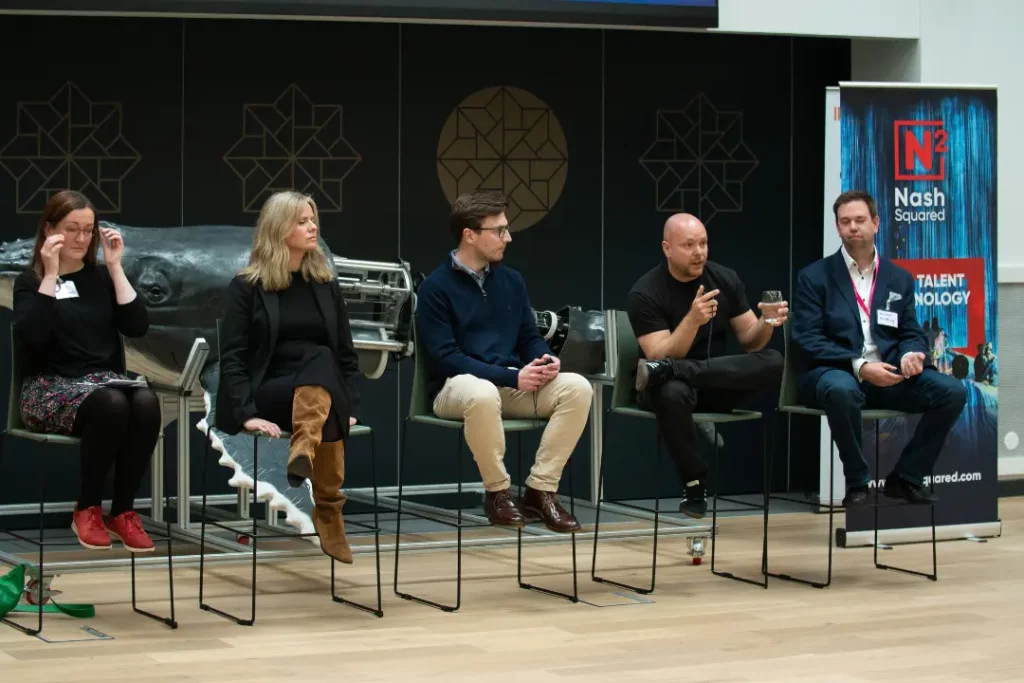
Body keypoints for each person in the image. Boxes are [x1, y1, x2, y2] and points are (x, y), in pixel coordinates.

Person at [416, 190, 593, 533]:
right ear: (470, 235)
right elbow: (445, 358)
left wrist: (543, 358)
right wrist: (513, 378)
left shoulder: (511, 281)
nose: (507, 237)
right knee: (482, 393)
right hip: (455, 389)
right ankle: (497, 493)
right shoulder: (435, 288)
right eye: (498, 230)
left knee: (577, 388)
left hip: (509, 384)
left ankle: (540, 490)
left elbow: (528, 336)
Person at [792, 190, 967, 506]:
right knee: (842, 390)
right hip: (839, 372)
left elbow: (911, 332)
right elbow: (808, 338)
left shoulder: (899, 278)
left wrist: (910, 354)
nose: (853, 228)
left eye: (860, 220)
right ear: (838, 228)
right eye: (845, 222)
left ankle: (906, 477)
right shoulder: (814, 277)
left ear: (875, 223)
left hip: (890, 374)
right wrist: (859, 365)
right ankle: (858, 482)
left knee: (952, 392)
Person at [217, 191, 362, 563]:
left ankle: (304, 448)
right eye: (302, 221)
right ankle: (329, 510)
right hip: (273, 391)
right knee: (322, 366)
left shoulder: (326, 286)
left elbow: (346, 354)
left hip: (321, 391)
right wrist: (246, 412)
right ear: (279, 228)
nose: (312, 227)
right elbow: (232, 356)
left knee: (323, 360)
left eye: (313, 219)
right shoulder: (246, 287)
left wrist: (350, 405)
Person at [13, 190, 159, 552]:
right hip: (49, 388)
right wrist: (50, 275)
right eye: (72, 229)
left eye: (88, 230)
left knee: (145, 402)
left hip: (102, 383)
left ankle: (123, 511)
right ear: (50, 231)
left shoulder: (101, 278)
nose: (81, 239)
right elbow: (32, 338)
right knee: (112, 403)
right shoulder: (29, 282)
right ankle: (87, 507)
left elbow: (137, 326)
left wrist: (115, 267)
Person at [626, 213, 785, 518]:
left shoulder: (724, 278)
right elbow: (659, 355)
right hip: (668, 386)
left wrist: (767, 322)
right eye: (688, 245)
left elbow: (752, 342)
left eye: (703, 243)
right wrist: (692, 321)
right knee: (669, 388)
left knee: (774, 360)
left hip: (713, 381)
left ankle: (685, 370)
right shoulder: (645, 292)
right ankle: (694, 483)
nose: (699, 252)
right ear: (666, 248)